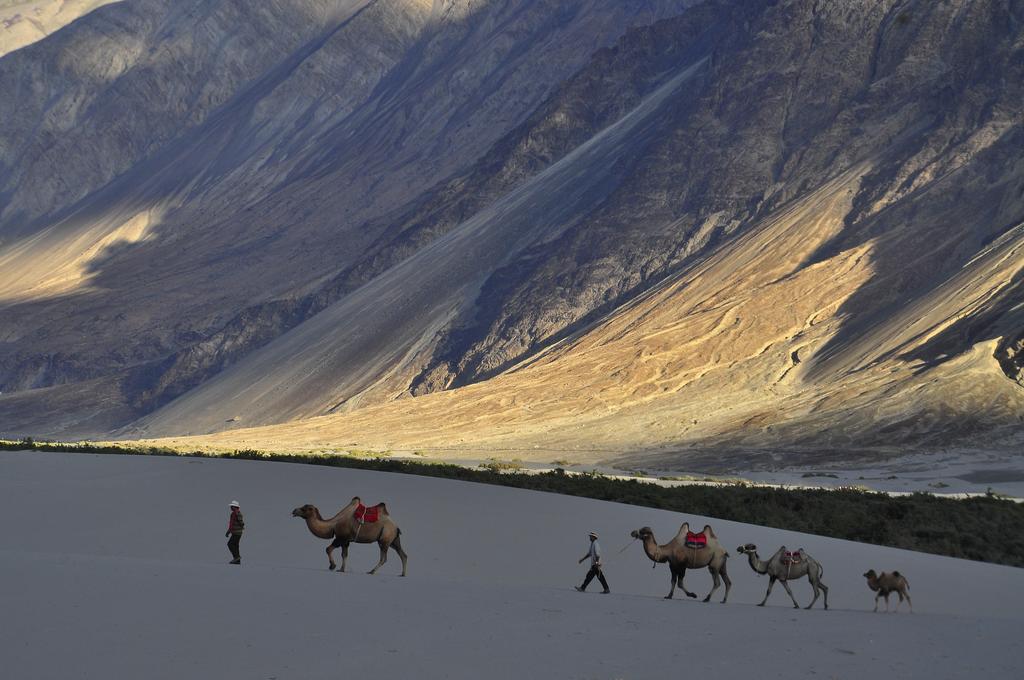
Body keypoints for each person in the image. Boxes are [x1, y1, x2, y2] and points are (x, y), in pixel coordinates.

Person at [226, 500, 244, 565]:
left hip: (237, 532)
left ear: (235, 507)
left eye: (232, 506)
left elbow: (240, 522)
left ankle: (236, 557)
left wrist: (241, 525)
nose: (230, 507)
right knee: (235, 545)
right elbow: (232, 524)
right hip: (236, 532)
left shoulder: (236, 513)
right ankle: (237, 560)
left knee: (230, 544)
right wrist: (229, 531)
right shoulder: (235, 513)